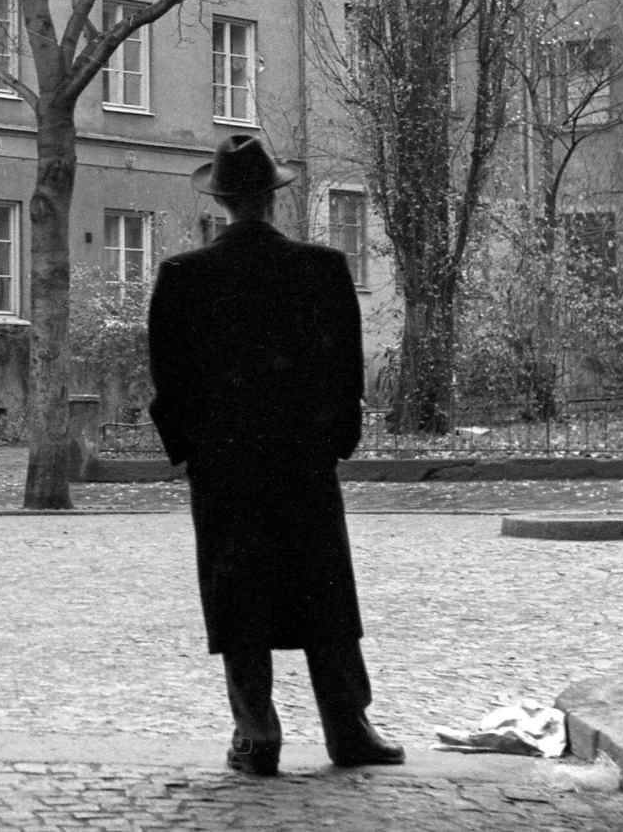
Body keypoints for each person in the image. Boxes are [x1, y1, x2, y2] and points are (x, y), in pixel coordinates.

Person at [146, 134, 404, 777]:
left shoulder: (183, 276)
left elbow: (169, 380)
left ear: (221, 200)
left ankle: (256, 732)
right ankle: (348, 726)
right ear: (272, 197)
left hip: (225, 463)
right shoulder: (322, 269)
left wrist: (189, 449)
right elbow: (346, 371)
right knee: (324, 590)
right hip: (301, 458)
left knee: (238, 594)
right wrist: (335, 439)